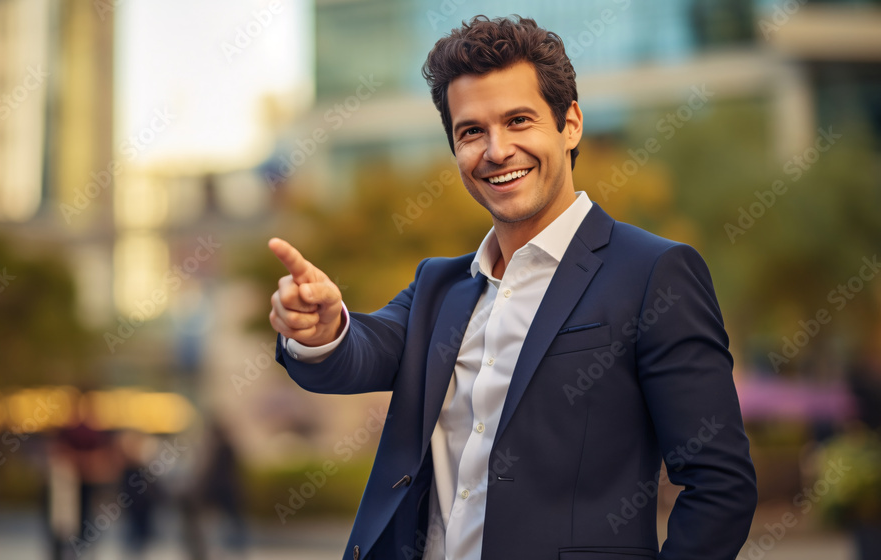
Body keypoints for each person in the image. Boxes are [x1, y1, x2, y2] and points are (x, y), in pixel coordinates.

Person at [268, 15, 757, 560]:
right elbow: (357, 353)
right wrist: (322, 328)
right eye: (471, 131)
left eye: (519, 120)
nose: (496, 151)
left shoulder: (652, 273)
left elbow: (720, 485)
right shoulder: (440, 286)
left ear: (570, 124)